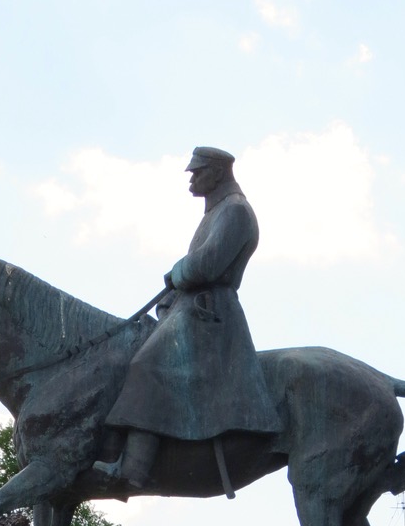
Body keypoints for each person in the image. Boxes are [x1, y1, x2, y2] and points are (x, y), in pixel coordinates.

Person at [92, 146, 278, 491]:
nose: (192, 178)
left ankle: (132, 467)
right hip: (190, 306)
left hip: (210, 315)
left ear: (218, 172)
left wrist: (177, 271)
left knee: (147, 365)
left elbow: (207, 265)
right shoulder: (217, 211)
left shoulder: (236, 211)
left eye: (198, 172)